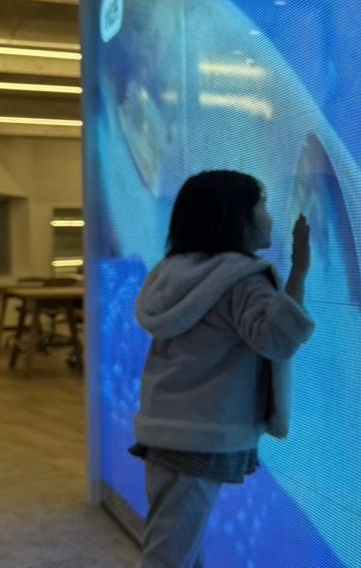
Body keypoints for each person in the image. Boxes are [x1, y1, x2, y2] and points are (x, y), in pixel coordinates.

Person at [129, 169, 314, 567]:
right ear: (236, 218)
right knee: (169, 553)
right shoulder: (242, 281)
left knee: (177, 541)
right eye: (262, 206)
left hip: (163, 426)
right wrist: (299, 269)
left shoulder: (171, 272)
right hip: (204, 433)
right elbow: (277, 339)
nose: (269, 217)